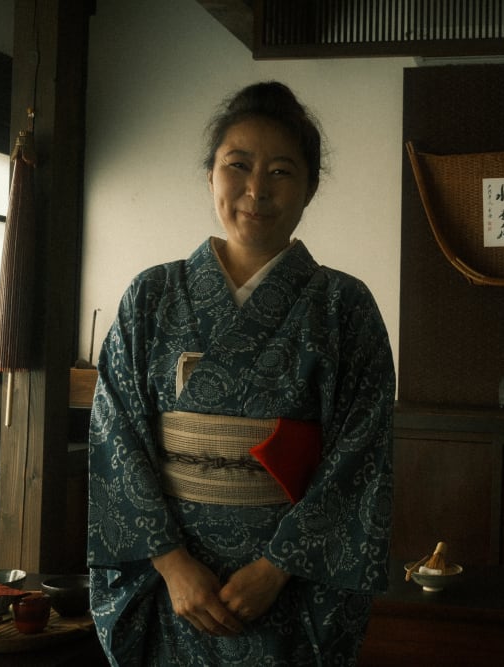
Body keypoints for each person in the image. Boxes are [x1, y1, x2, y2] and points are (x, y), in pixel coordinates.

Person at [87, 81, 396, 666]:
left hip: (288, 590)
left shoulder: (343, 307)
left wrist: (277, 566)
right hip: (172, 590)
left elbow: (361, 455)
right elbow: (115, 437)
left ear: (309, 189)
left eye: (282, 171)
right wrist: (172, 565)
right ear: (211, 175)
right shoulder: (152, 296)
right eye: (238, 165)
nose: (257, 189)